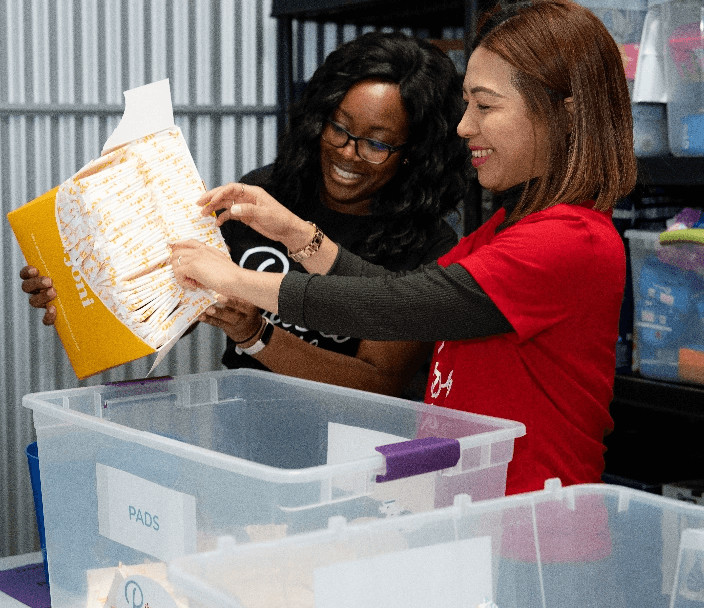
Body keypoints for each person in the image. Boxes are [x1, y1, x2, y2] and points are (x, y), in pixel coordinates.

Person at [171, 0, 637, 496]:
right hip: (476, 512)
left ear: (563, 114)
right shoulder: (513, 227)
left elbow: (397, 309)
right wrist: (296, 235)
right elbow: (403, 292)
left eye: (485, 105)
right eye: (466, 105)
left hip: (537, 538)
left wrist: (233, 279)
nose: (465, 127)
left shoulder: (569, 242)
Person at [20, 31, 469, 398]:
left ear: (416, 154)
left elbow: (380, 382)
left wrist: (258, 336)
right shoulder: (267, 194)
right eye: (339, 128)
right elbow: (184, 302)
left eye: (376, 143)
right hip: (245, 424)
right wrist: (84, 289)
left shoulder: (429, 246)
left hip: (352, 451)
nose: (347, 154)